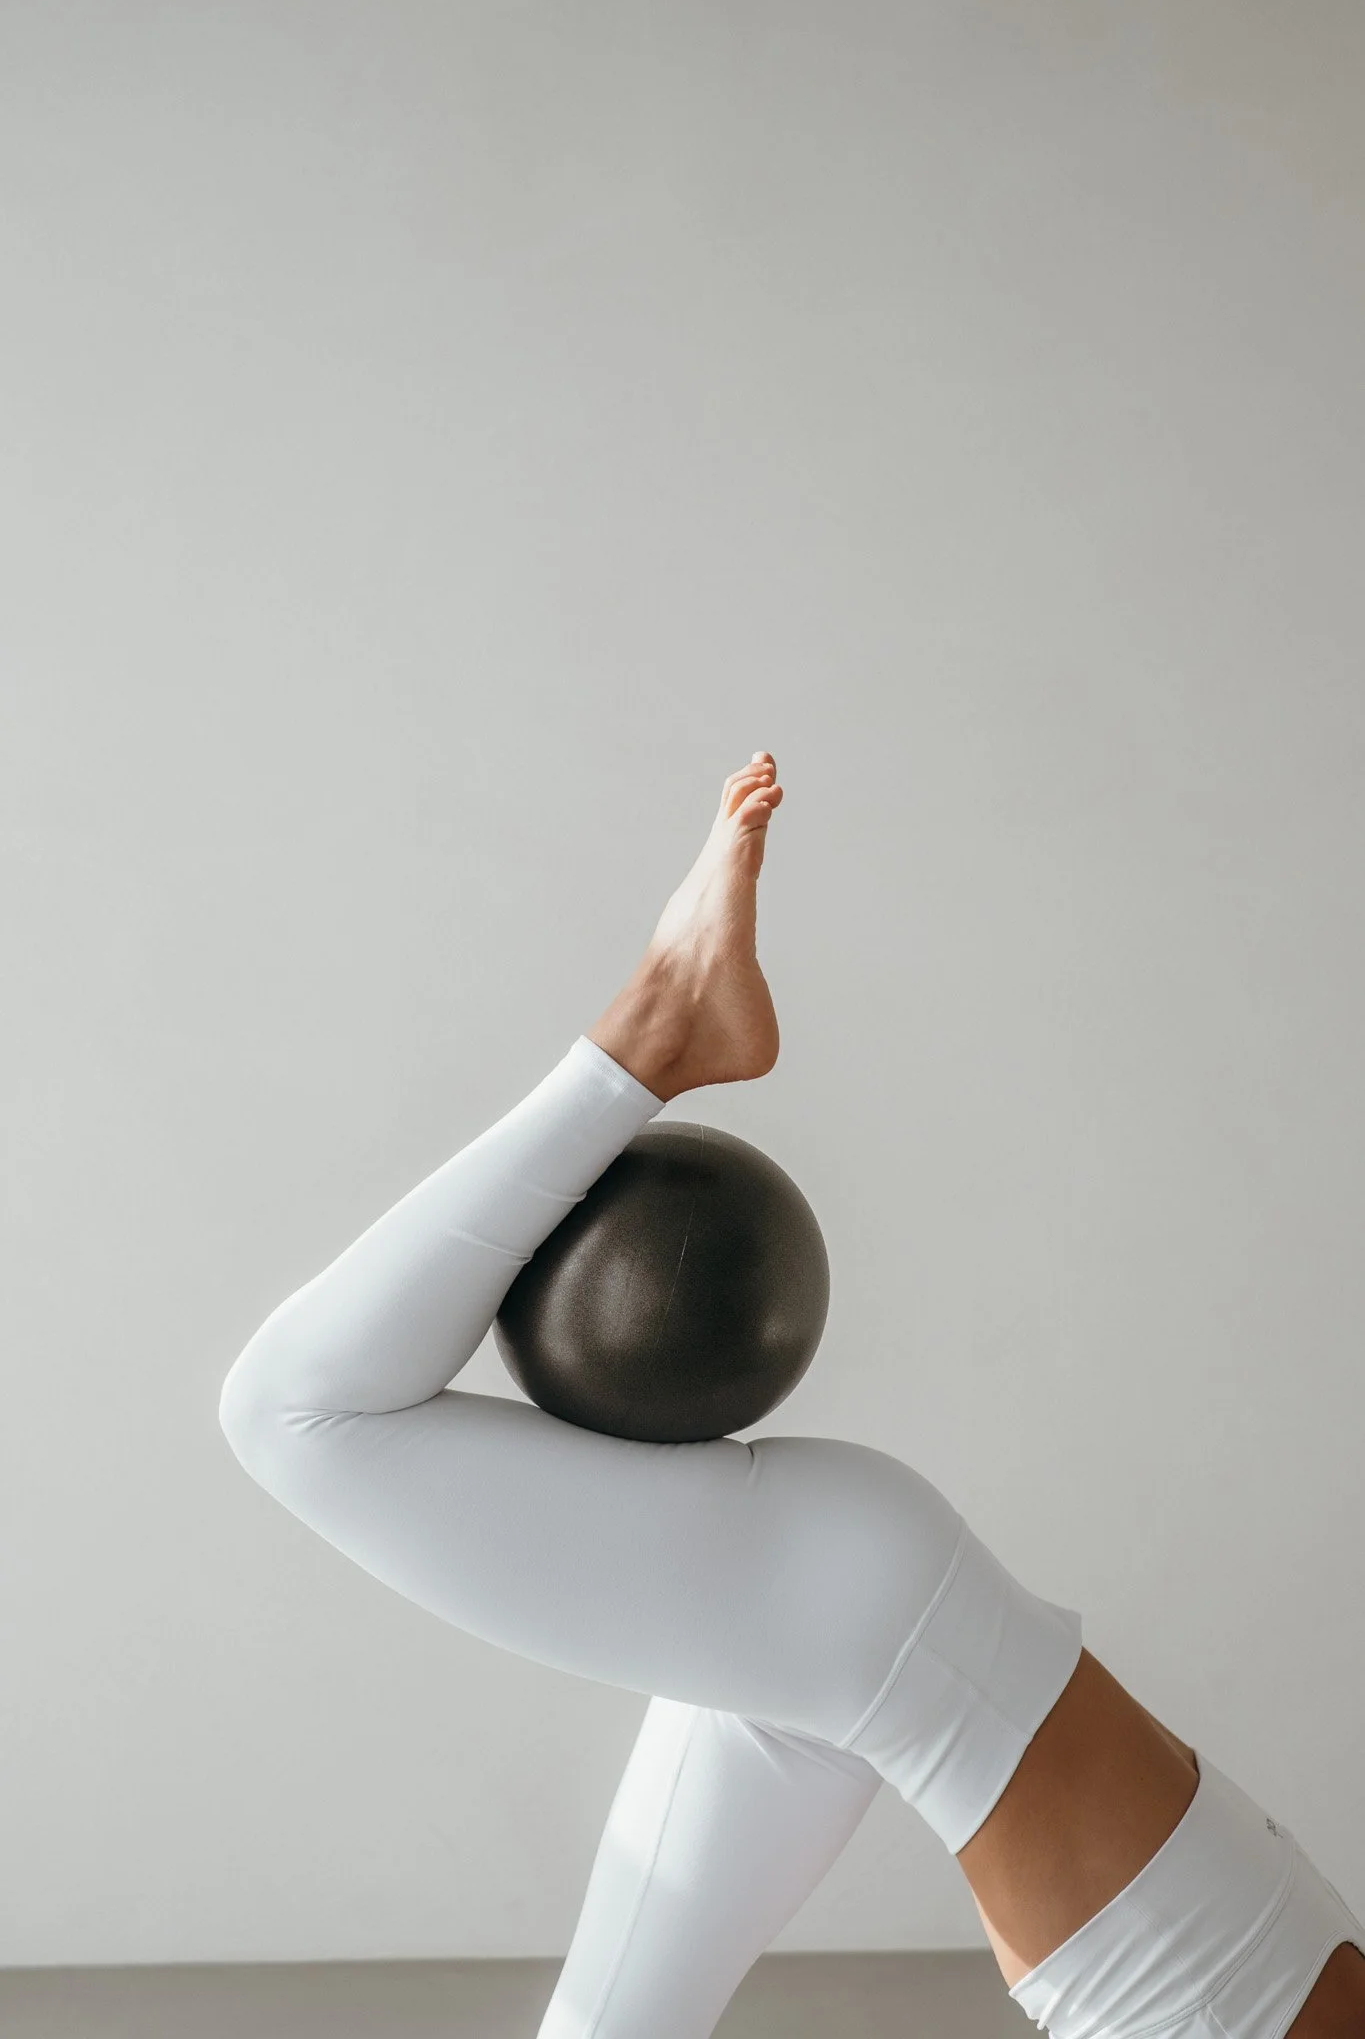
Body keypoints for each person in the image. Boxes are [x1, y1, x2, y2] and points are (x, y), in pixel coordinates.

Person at [218, 752, 1364, 2038]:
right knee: (296, 1413)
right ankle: (658, 1023)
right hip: (927, 1670)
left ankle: (662, 1025)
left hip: (883, 1630)